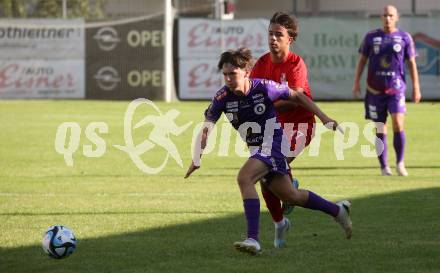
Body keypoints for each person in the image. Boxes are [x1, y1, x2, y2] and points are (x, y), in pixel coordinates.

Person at [184, 48, 352, 255]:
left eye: (233, 74)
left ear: (246, 72)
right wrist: (196, 157)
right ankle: (337, 211)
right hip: (258, 148)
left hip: (274, 143)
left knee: (244, 178)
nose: (228, 79)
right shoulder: (222, 98)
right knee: (292, 196)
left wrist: (324, 117)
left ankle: (253, 239)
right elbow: (206, 127)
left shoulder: (263, 87)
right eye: (225, 74)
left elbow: (297, 95)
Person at [250, 11, 316, 248]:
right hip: (274, 127)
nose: (273, 39)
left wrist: (265, 104)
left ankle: (288, 186)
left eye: (279, 34)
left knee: (265, 168)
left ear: (290, 39)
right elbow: (251, 94)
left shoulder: (296, 64)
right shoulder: (262, 63)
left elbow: (295, 99)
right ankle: (280, 222)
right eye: (270, 34)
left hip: (301, 125)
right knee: (265, 176)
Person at [352, 5, 421, 176]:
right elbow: (362, 61)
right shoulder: (371, 37)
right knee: (380, 128)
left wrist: (416, 87)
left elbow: (411, 64)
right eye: (385, 15)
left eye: (391, 15)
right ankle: (384, 167)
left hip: (396, 90)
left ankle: (400, 163)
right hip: (374, 91)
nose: (388, 18)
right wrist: (356, 83)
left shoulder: (404, 37)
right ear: (380, 17)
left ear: (397, 17)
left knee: (398, 124)